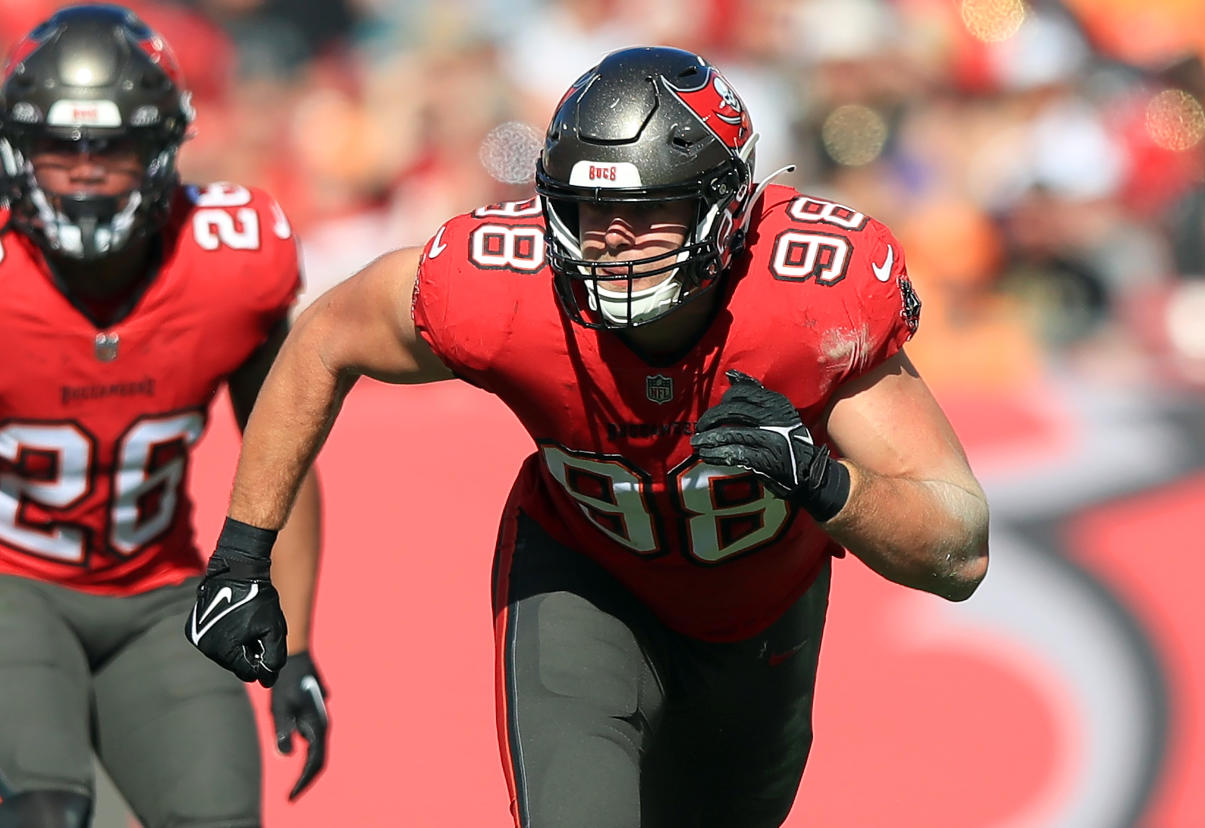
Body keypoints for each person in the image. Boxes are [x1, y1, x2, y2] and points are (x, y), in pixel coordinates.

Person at [188, 46, 989, 827]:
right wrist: (240, 555)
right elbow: (325, 336)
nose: (611, 239)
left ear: (728, 207)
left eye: (647, 213)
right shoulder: (504, 285)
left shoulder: (809, 297)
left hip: (760, 617)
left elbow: (959, 550)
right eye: (588, 209)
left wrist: (819, 479)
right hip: (582, 579)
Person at [0, 6, 329, 827]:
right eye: (57, 149)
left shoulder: (232, 264)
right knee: (45, 814)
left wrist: (298, 646)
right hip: (11, 584)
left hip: (157, 595)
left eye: (107, 148)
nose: (81, 173)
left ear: (159, 149)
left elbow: (280, 452)